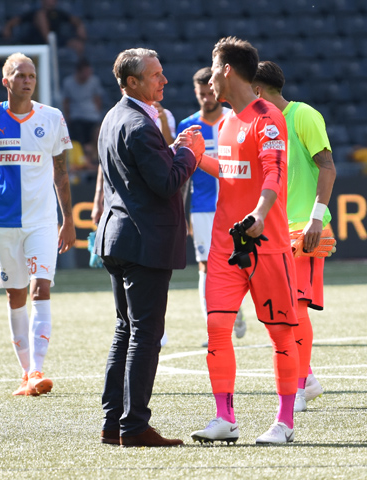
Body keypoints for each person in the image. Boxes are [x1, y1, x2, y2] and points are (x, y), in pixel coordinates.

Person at [92, 48, 204, 447]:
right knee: (144, 333)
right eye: (156, 75)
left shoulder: (113, 117)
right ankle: (135, 425)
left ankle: (113, 423)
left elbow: (142, 173)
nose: (164, 80)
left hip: (118, 236)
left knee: (125, 330)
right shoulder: (140, 124)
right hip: (144, 240)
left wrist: (173, 151)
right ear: (132, 82)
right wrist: (190, 153)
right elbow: (165, 183)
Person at [189, 37, 299, 445]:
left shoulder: (268, 117)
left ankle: (284, 422)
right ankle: (225, 418)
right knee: (217, 326)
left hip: (266, 242)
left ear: (227, 70)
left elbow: (274, 172)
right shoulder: (225, 123)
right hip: (225, 245)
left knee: (280, 334)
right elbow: (232, 171)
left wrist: (260, 213)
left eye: (213, 70)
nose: (209, 81)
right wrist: (198, 157)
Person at [0, 52, 76, 398]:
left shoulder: (52, 118)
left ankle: (38, 369)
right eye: (21, 75)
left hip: (43, 220)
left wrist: (68, 219)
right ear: (6, 81)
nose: (28, 81)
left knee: (42, 288)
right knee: (16, 293)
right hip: (3, 221)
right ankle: (26, 373)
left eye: (32, 75)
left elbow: (61, 173)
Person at [252, 60, 336, 412]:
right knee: (280, 311)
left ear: (258, 90)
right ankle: (308, 378)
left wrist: (316, 219)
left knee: (297, 309)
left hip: (305, 229)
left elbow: (328, 166)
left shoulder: (303, 116)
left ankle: (298, 387)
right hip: (275, 229)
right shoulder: (261, 124)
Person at [177, 66, 246, 347]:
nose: (207, 99)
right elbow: (183, 174)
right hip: (203, 207)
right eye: (201, 94)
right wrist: (181, 213)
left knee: (239, 262)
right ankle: (213, 325)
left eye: (210, 93)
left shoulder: (235, 119)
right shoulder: (188, 126)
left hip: (236, 205)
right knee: (206, 265)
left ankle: (236, 310)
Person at [3, 0, 86, 56]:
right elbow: (14, 21)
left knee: (78, 45)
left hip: (57, 41)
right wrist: (7, 28)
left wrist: (80, 27)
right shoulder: (35, 12)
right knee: (40, 15)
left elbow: (75, 21)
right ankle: (49, 43)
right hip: (36, 42)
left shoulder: (59, 13)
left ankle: (80, 69)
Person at [61, 57, 104, 147]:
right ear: (78, 71)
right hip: (76, 118)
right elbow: (66, 102)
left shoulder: (94, 81)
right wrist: (67, 118)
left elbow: (97, 99)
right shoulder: (68, 83)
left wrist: (97, 113)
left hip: (92, 117)